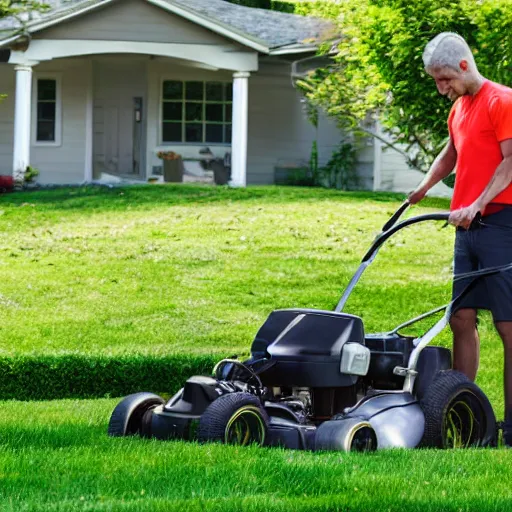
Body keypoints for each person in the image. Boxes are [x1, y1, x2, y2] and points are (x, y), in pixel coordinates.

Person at [408, 32, 512, 445]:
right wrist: (423, 186)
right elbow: (451, 153)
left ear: (465, 66)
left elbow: (510, 162)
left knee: (509, 326)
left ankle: (511, 429)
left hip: (503, 223)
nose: (441, 88)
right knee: (460, 319)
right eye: (436, 80)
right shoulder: (460, 108)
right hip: (466, 227)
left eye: (445, 79)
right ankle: (465, 417)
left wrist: (480, 202)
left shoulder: (502, 101)